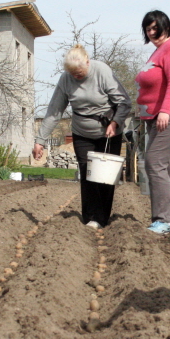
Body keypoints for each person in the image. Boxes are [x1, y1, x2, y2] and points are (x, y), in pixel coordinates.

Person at [33, 45, 131, 228]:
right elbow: (55, 111)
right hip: (82, 133)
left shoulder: (102, 71)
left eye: (79, 73)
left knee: (105, 178)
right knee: (87, 173)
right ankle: (90, 218)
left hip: (108, 133)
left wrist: (115, 122)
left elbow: (124, 102)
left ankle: (103, 218)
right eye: (73, 74)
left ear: (88, 62)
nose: (76, 77)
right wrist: (40, 140)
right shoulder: (65, 79)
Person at [134, 10, 170, 234]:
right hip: (158, 118)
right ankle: (169, 221)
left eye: (154, 28)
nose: (151, 33)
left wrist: (165, 111)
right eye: (147, 29)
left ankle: (162, 219)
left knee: (154, 163)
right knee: (168, 169)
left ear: (165, 26)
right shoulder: (159, 52)